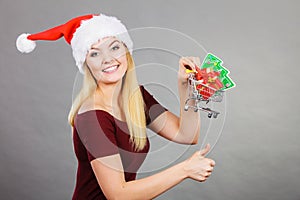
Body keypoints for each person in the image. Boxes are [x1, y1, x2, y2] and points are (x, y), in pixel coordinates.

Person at [16, 13, 216, 200]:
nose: (108, 59)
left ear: (126, 51)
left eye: (114, 47)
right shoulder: (92, 117)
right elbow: (118, 194)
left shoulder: (136, 97)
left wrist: (187, 87)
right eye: (94, 54)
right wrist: (185, 169)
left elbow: (186, 135)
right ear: (86, 64)